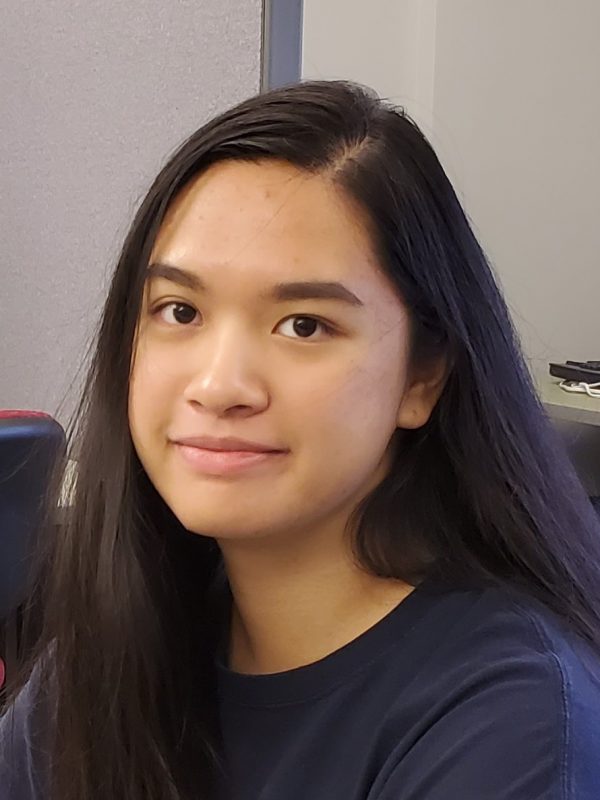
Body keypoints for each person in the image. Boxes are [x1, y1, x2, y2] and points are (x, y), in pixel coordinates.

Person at [1, 80, 600, 800]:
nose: (219, 385)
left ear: (422, 376)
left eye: (304, 325)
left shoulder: (510, 718)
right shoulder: (116, 648)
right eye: (180, 311)